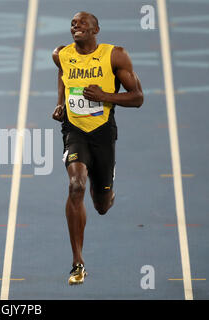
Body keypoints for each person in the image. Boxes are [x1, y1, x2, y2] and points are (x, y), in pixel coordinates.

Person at [52, 12, 143, 285]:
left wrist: (104, 97)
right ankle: (77, 262)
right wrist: (61, 103)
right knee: (76, 185)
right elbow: (62, 74)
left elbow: (137, 97)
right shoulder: (61, 54)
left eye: (81, 23)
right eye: (72, 23)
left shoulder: (115, 56)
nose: (75, 26)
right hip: (74, 129)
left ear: (96, 30)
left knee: (101, 205)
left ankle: (106, 188)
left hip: (102, 133)